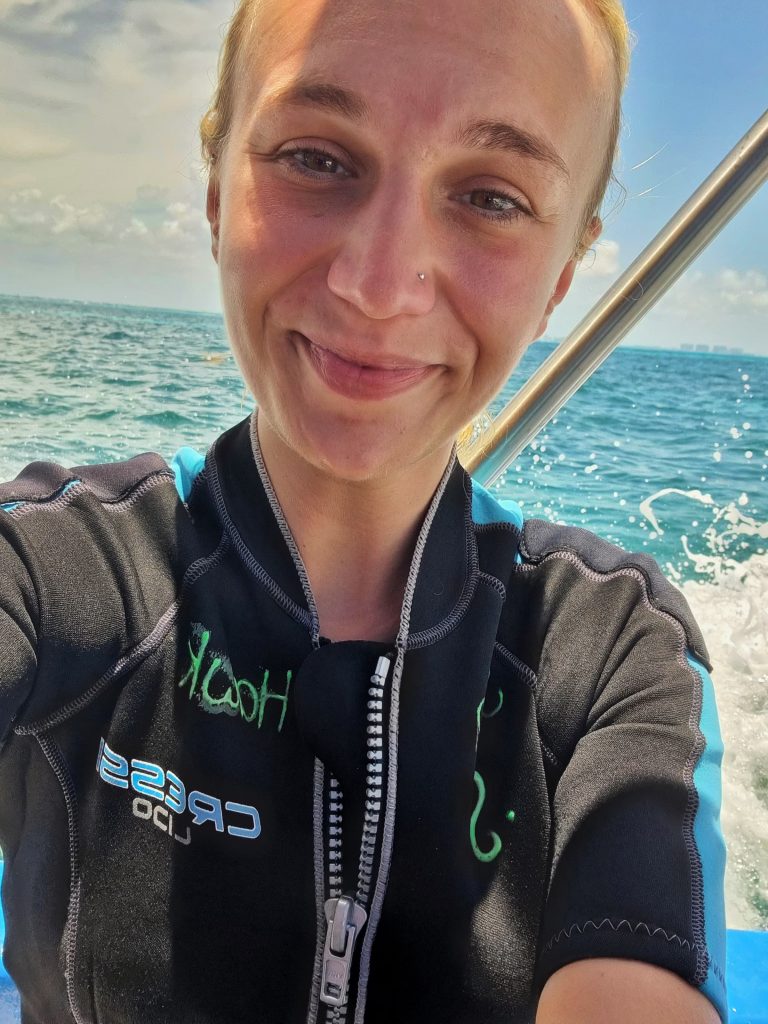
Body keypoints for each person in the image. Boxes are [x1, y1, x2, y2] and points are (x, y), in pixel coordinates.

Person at [0, 0, 727, 1022]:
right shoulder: (48, 566)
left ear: (564, 271)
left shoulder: (607, 653)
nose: (380, 285)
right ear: (215, 189)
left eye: (490, 196)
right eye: (316, 158)